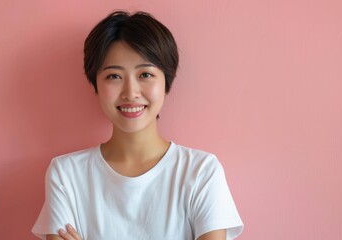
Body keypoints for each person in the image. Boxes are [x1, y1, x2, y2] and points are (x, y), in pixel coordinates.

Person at [32, 10, 243, 240]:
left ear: (166, 82)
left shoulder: (201, 172)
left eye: (145, 74)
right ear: (96, 85)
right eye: (114, 76)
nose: (131, 93)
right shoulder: (66, 175)